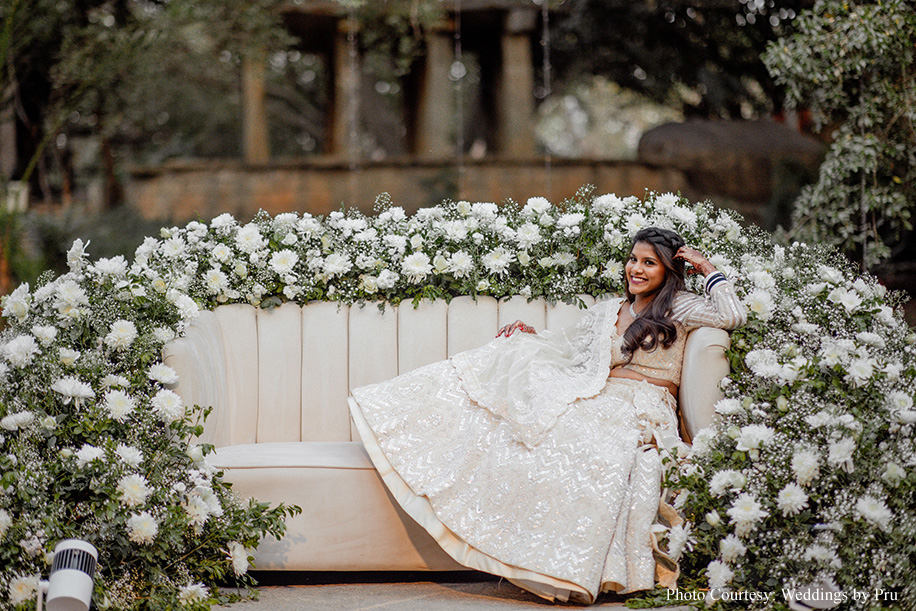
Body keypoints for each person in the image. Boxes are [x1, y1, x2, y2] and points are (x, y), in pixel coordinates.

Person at [348, 227, 746, 604]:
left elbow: (732, 316)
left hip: (643, 404)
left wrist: (708, 269)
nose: (635, 270)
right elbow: (570, 347)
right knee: (533, 418)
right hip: (599, 393)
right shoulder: (611, 309)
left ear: (668, 270)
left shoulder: (682, 306)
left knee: (585, 441)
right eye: (632, 260)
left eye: (648, 263)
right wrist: (530, 335)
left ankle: (571, 568)